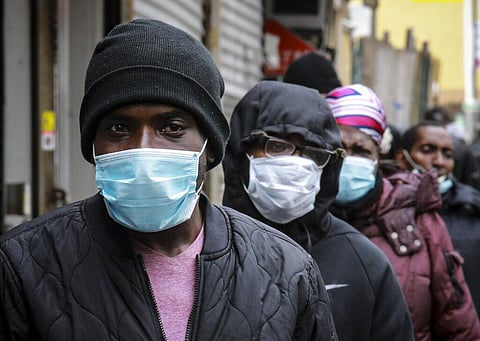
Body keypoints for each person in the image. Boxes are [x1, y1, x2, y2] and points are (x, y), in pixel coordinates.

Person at [0, 19, 338, 341]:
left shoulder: (286, 271)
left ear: (209, 147)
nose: (144, 149)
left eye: (172, 128)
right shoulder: (23, 266)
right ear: (93, 145)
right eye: (119, 128)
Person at [222, 80, 414, 341]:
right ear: (240, 153)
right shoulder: (203, 249)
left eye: (313, 154)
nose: (296, 164)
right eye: (277, 146)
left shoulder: (363, 262)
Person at [325, 84, 480, 340]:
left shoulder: (423, 223)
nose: (349, 158)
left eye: (362, 150)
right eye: (340, 148)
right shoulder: (298, 218)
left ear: (378, 154)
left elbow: (458, 326)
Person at [396, 121, 480, 315]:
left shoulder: (472, 212)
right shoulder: (378, 209)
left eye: (448, 155)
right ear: (402, 158)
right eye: (427, 150)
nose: (439, 161)